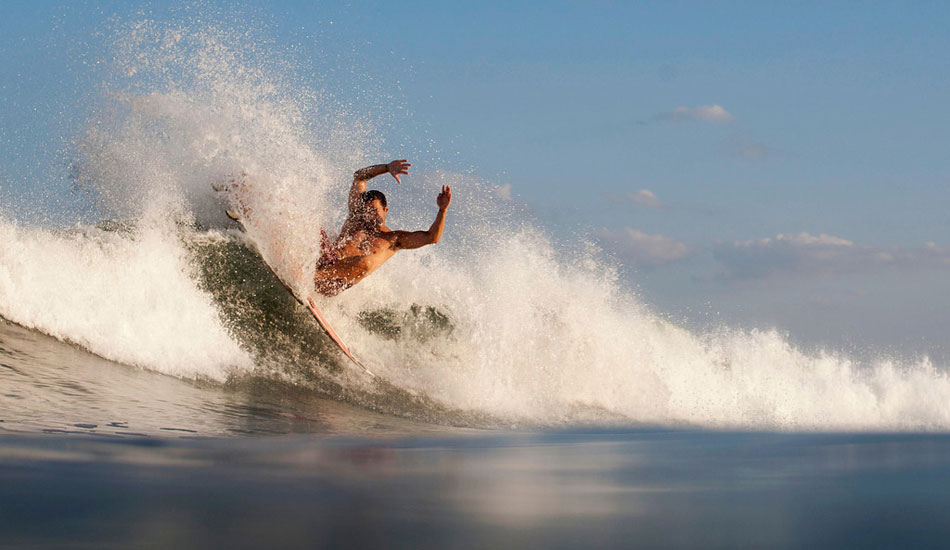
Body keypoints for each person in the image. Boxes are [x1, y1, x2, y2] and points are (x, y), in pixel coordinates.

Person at [313, 159, 452, 296]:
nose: (369, 215)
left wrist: (442, 211)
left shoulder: (393, 239)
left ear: (386, 210)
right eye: (367, 211)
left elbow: (432, 238)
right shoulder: (357, 217)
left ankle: (312, 276)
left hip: (333, 282)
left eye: (374, 211)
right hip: (324, 259)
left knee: (366, 262)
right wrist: (386, 168)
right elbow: (359, 177)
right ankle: (308, 273)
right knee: (310, 221)